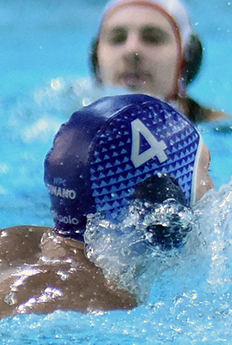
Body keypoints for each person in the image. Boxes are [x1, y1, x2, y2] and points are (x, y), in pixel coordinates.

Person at [0, 93, 213, 318]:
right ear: (163, 199)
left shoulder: (12, 241)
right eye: (206, 171)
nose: (212, 188)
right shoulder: (98, 303)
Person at [92, 0, 229, 123]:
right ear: (96, 58)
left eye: (152, 39)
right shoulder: (79, 114)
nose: (132, 51)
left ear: (186, 59)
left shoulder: (219, 126)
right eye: (117, 39)